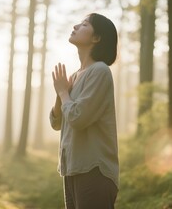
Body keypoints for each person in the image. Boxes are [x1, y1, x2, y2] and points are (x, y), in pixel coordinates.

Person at [49, 13, 119, 209]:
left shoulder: (100, 71)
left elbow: (78, 118)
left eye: (84, 24)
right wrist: (60, 93)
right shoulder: (76, 75)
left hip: (94, 171)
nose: (76, 25)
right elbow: (56, 123)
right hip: (72, 170)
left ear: (96, 38)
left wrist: (63, 92)